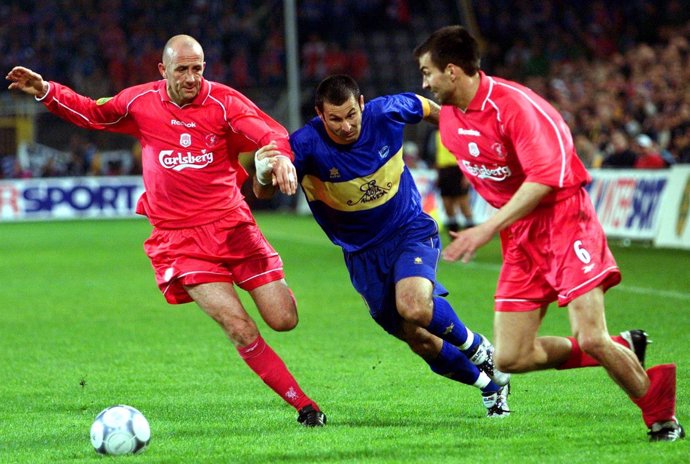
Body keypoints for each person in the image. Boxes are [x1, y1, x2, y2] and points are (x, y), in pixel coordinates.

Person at [6, 35, 326, 427]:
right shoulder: (140, 102)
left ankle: (263, 219)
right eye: (182, 70)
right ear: (164, 70)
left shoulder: (225, 101)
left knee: (283, 319)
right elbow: (93, 112)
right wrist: (46, 91)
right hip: (180, 241)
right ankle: (305, 406)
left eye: (198, 69)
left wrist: (279, 157)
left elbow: (269, 132)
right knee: (238, 327)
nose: (192, 78)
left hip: (233, 226)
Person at [414, 25, 684, 441]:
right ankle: (623, 347)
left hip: (563, 220)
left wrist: (484, 228)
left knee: (591, 336)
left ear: (452, 71)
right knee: (511, 356)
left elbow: (544, 180)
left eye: (427, 72)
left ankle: (661, 415)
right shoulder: (451, 117)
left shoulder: (517, 107)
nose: (425, 82)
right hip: (521, 236)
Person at [257, 74, 511, 418]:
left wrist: (465, 136)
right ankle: (490, 388)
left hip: (408, 229)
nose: (346, 126)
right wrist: (265, 173)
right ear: (320, 114)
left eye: (351, 114)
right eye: (335, 119)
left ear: (362, 104)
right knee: (419, 340)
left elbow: (429, 108)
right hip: (362, 254)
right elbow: (264, 192)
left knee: (415, 307)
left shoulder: (387, 112)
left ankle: (480, 348)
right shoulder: (304, 145)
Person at [430, 129, 475, 237]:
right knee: (448, 207)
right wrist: (438, 174)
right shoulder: (436, 134)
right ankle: (454, 239)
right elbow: (437, 154)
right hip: (444, 171)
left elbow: (467, 153)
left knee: (464, 206)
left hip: (458, 170)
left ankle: (471, 238)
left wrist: (466, 175)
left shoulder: (458, 131)